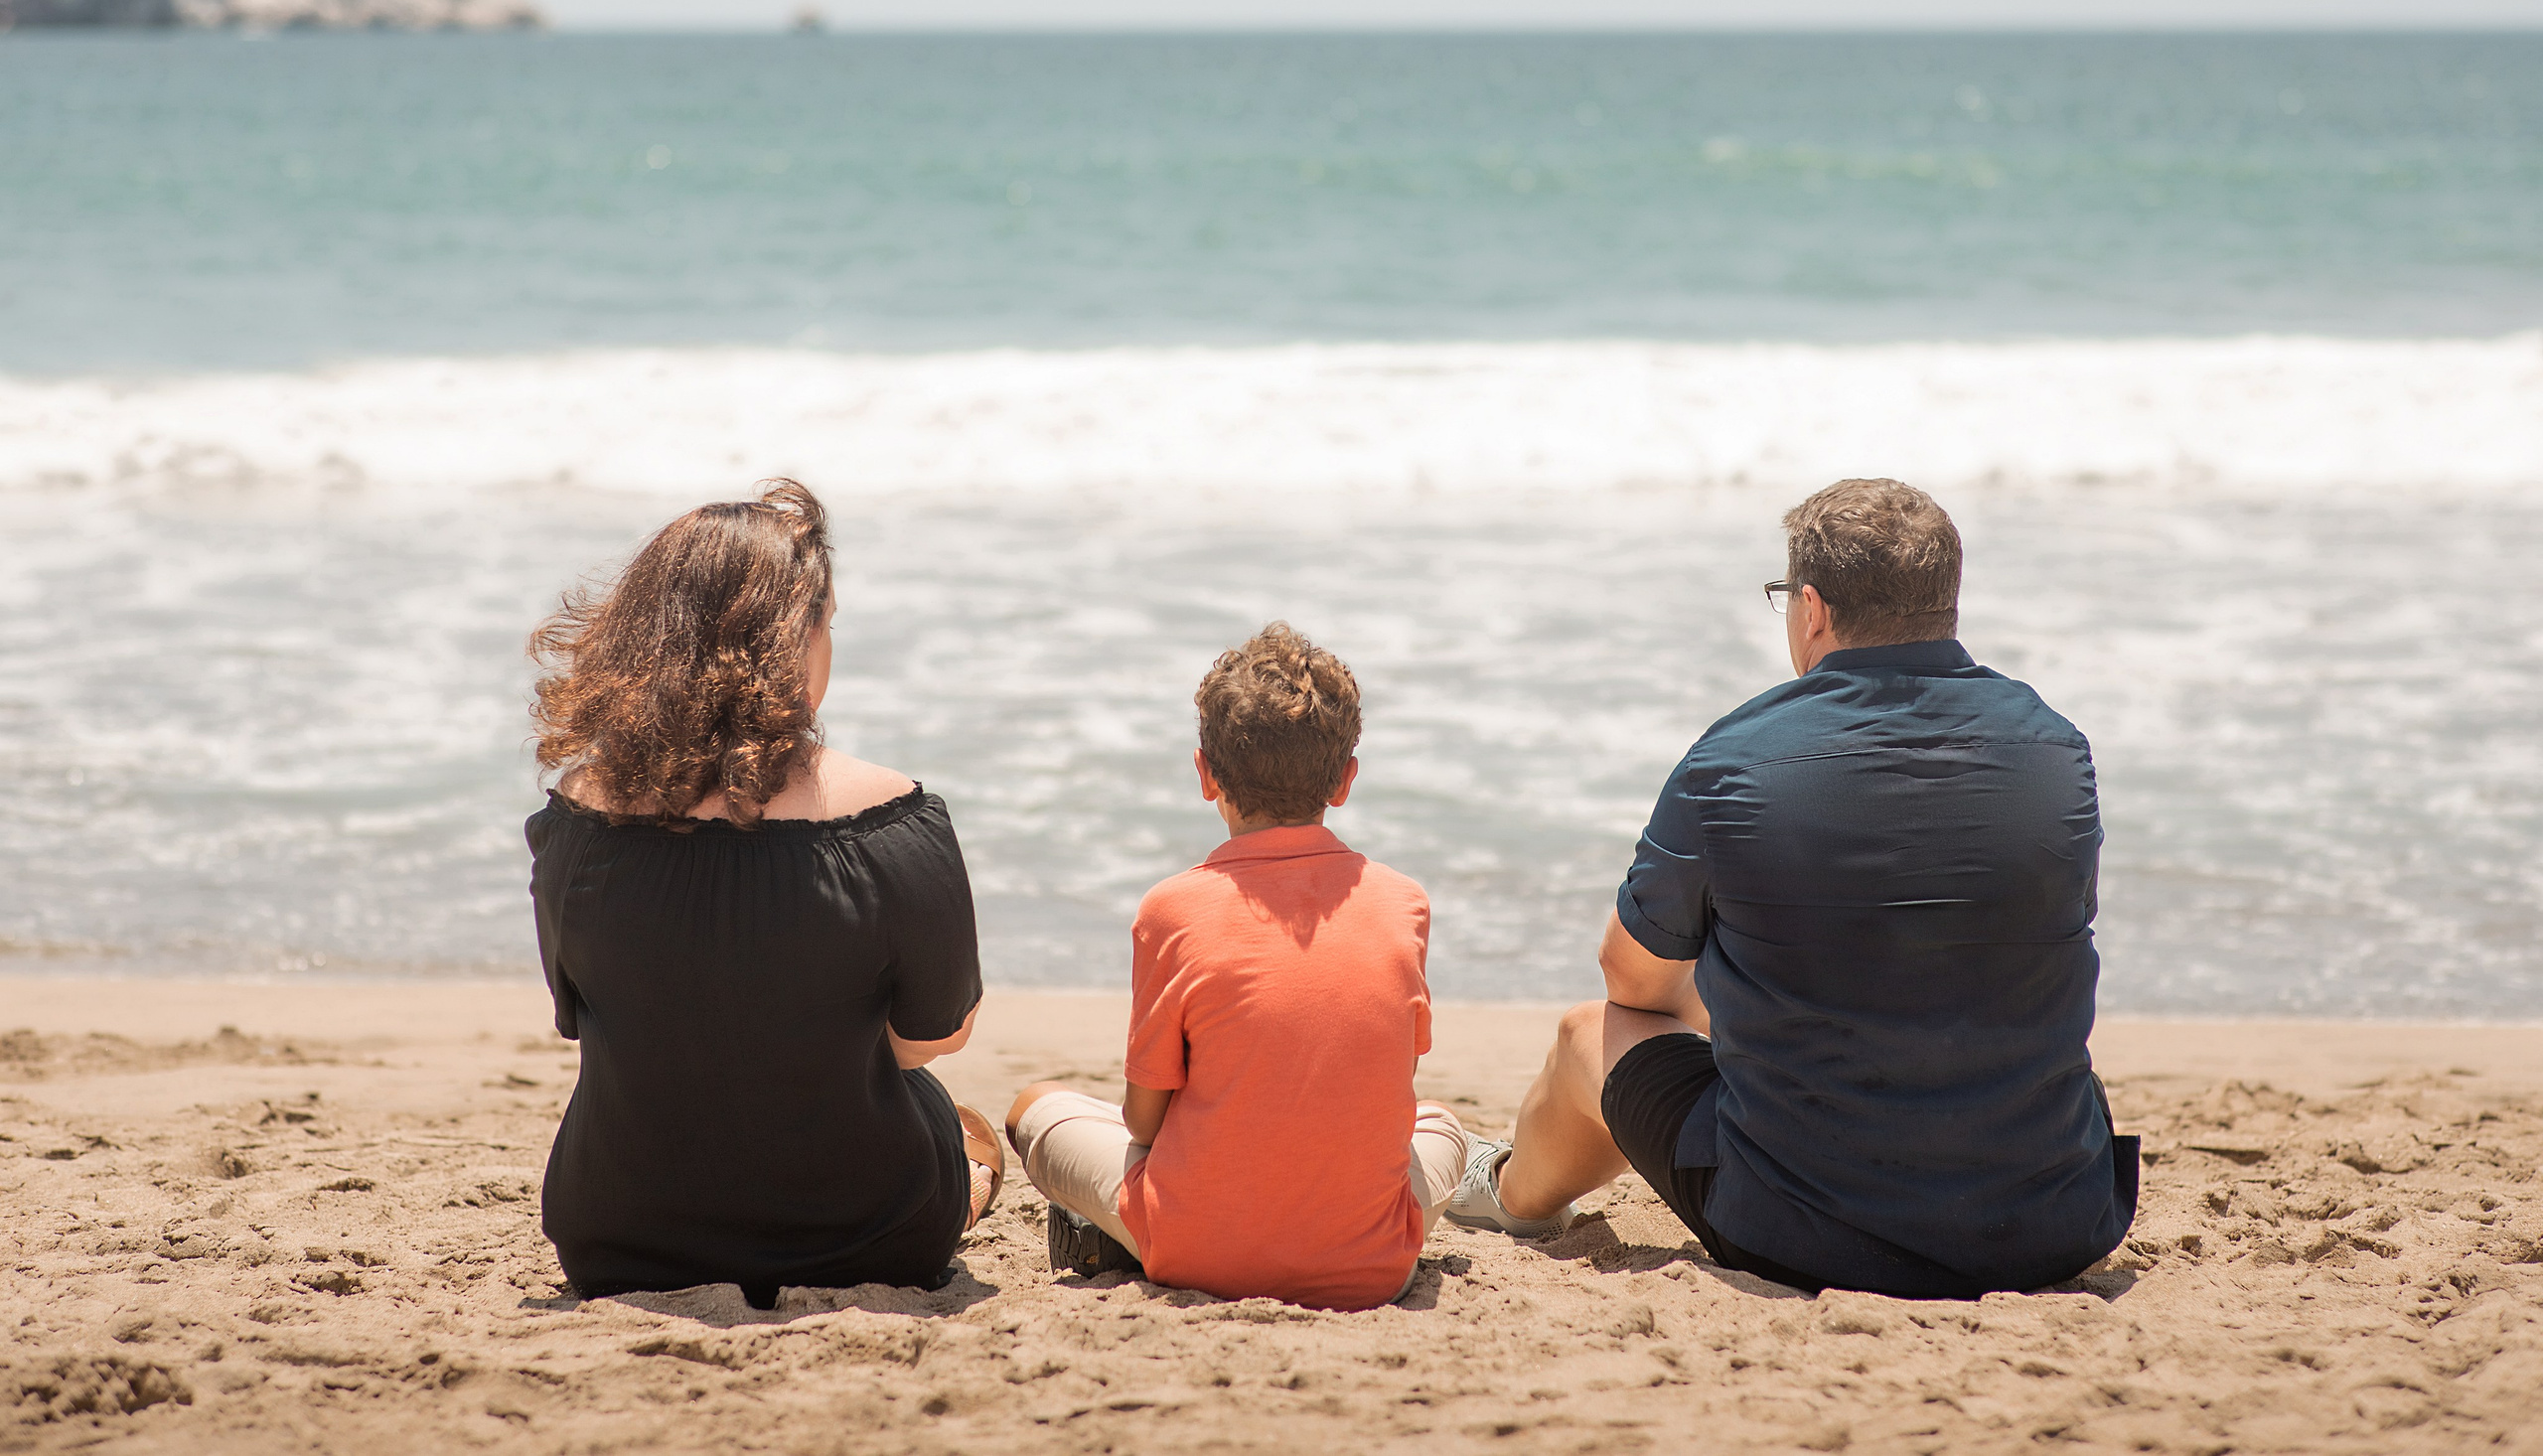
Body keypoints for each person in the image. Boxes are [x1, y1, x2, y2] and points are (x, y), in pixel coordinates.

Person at [1445, 479, 2139, 1298]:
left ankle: (1513, 1195)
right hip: (2051, 1222)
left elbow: (1629, 979)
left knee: (1589, 1034)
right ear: (1947, 602)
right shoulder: (2058, 749)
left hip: (1804, 1231)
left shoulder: (1735, 758)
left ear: (1811, 608)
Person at [523, 480, 1003, 1306]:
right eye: (827, 622)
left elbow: (582, 1013)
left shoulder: (578, 817)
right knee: (953, 1122)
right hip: (864, 1232)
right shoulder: (893, 813)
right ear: (794, 638)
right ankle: (978, 1174)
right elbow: (939, 1033)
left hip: (621, 1232)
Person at [1004, 623, 1469, 1311]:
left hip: (1197, 1253)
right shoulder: (1404, 903)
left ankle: (1122, 1239)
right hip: (1371, 1266)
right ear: (1345, 780)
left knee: (1035, 1107)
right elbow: (1384, 1087)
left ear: (1205, 773)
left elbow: (1142, 1125)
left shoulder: (1172, 908)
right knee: (1441, 1126)